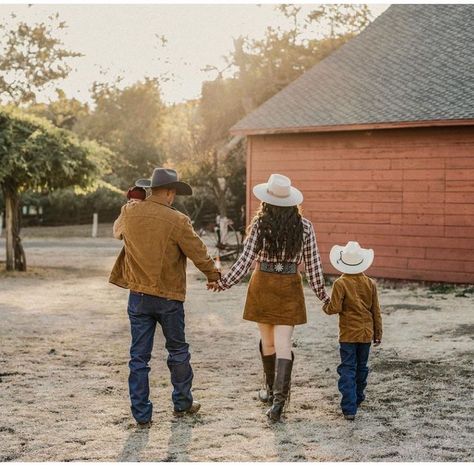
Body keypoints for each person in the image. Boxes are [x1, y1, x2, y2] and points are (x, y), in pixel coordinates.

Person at [209, 173, 330, 422]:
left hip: (262, 284)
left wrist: (224, 283)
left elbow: (244, 261)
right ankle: (278, 403)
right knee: (284, 343)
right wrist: (323, 296)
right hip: (289, 287)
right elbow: (314, 266)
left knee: (268, 342)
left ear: (267, 200)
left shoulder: (260, 225)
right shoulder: (305, 227)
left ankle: (268, 390)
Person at [109, 168, 221, 427]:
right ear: (170, 192)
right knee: (178, 351)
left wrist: (131, 205)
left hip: (138, 295)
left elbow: (117, 232)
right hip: (169, 297)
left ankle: (141, 415)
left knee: (139, 357)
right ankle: (182, 404)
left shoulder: (129, 211)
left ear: (151, 189)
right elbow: (197, 251)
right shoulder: (178, 220)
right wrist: (213, 275)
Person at [322, 241, 382, 421]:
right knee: (361, 366)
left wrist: (325, 304)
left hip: (348, 333)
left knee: (347, 367)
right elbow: (376, 311)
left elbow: (334, 308)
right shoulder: (370, 283)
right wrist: (378, 333)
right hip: (366, 332)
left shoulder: (341, 283)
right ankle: (358, 397)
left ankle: (349, 407)